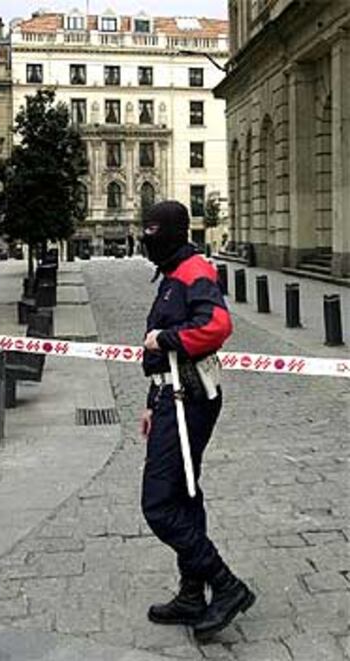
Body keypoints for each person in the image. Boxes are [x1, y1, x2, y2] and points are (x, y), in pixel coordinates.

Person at [140, 200, 255, 643]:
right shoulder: (172, 272)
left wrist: (165, 337)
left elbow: (217, 325)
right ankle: (192, 592)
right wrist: (152, 402)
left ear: (172, 232)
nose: (147, 239)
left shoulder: (194, 271)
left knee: (159, 503)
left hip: (189, 397)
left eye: (153, 231)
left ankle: (225, 586)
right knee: (184, 496)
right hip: (170, 395)